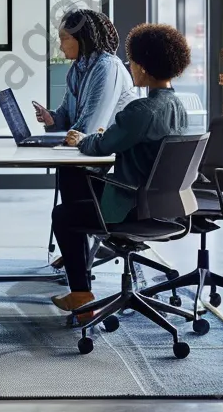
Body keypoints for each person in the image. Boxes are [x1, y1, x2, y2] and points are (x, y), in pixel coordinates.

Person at [49, 22, 191, 317]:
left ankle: (81, 293)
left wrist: (83, 139)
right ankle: (79, 256)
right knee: (75, 180)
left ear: (143, 67)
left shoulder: (141, 111)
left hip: (133, 204)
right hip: (166, 204)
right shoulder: (178, 106)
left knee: (64, 215)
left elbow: (102, 146)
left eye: (133, 61)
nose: (129, 65)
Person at [32, 9, 136, 273]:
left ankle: (77, 259)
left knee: (70, 180)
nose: (60, 44)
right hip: (88, 154)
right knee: (68, 174)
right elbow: (67, 115)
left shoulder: (106, 67)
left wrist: (64, 136)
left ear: (83, 38)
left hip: (110, 161)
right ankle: (75, 251)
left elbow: (90, 126)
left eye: (64, 38)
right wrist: (51, 118)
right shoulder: (78, 68)